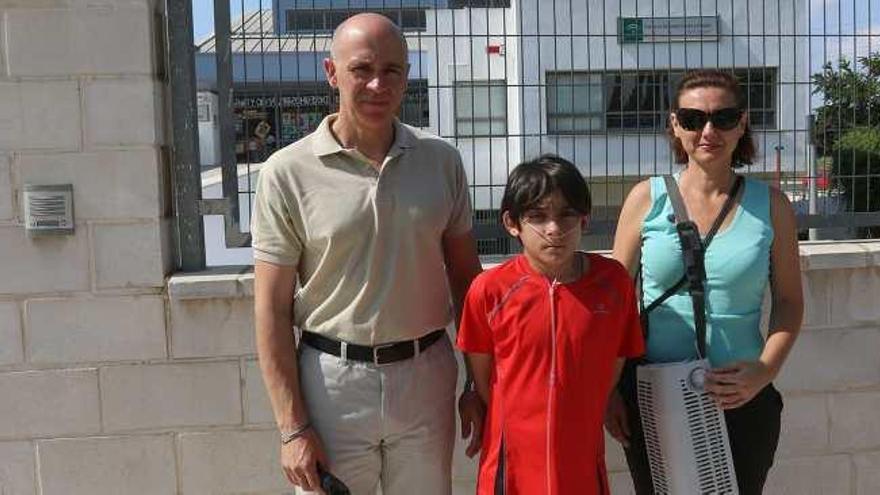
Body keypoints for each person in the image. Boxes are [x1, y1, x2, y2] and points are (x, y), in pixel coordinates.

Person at [251, 13, 484, 495]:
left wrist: (479, 384)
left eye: (393, 70)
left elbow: (468, 282)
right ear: (331, 73)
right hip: (332, 385)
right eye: (362, 69)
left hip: (426, 378)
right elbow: (271, 310)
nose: (378, 84)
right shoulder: (285, 173)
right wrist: (292, 428)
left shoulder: (441, 161)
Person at [607, 69, 804, 494]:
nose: (708, 130)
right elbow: (615, 301)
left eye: (723, 117)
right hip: (656, 394)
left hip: (741, 396)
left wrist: (764, 370)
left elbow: (789, 301)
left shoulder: (772, 206)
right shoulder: (646, 198)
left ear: (742, 123)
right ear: (675, 125)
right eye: (693, 119)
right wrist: (609, 389)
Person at [457, 155, 645, 495]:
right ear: (512, 223)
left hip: (581, 461)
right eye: (538, 217)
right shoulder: (490, 290)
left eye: (567, 215)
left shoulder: (613, 284)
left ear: (585, 219)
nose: (554, 229)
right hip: (510, 463)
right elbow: (484, 375)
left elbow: (614, 360)